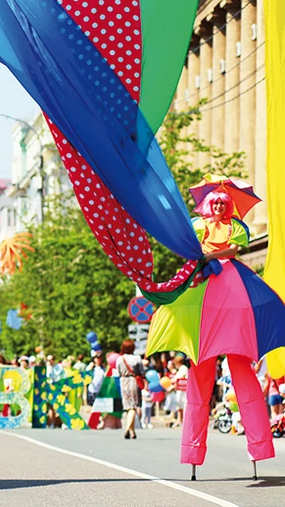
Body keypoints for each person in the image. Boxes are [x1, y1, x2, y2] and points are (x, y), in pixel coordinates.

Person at [147, 188, 285, 470]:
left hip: (232, 285)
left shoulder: (235, 226)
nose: (220, 206)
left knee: (243, 373)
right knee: (199, 380)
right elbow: (188, 246)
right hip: (202, 289)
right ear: (209, 205)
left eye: (224, 202)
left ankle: (259, 447)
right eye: (216, 202)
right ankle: (192, 452)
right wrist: (199, 262)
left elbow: (233, 251)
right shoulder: (198, 225)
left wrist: (211, 257)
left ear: (230, 205)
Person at [117, 339, 143, 440]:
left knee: (128, 406)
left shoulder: (120, 359)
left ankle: (132, 431)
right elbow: (141, 371)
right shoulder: (136, 358)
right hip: (133, 381)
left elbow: (118, 371)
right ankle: (128, 428)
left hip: (123, 382)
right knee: (133, 406)